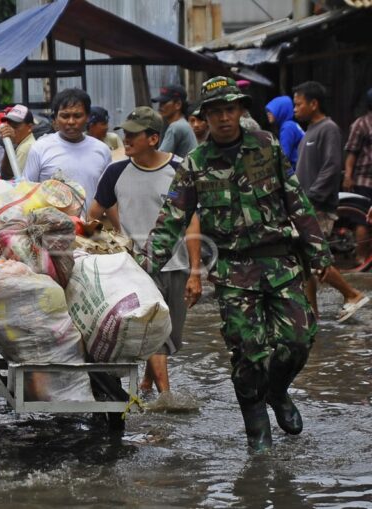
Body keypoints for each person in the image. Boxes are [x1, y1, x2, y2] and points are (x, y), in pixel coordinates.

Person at [139, 77, 333, 452]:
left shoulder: (267, 146)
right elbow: (171, 221)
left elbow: (296, 201)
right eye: (216, 111)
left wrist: (318, 252)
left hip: (280, 262)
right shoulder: (195, 164)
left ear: (240, 111)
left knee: (298, 340)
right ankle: (256, 428)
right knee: (247, 352)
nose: (224, 117)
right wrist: (146, 268)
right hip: (233, 271)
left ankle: (277, 392)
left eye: (230, 109)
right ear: (205, 118)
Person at [88, 106, 200, 397]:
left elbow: (191, 222)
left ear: (153, 139)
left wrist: (196, 272)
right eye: (125, 134)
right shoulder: (116, 172)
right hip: (136, 267)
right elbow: (93, 214)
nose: (126, 140)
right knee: (154, 331)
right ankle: (166, 397)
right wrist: (109, 242)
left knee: (171, 335)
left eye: (133, 135)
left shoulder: (179, 171)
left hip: (176, 265)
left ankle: (147, 384)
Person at [293, 81, 369, 321]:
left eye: (299, 104)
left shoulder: (328, 128)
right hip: (305, 204)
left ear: (314, 104)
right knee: (306, 263)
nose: (295, 109)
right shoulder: (309, 131)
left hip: (318, 205)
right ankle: (311, 314)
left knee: (315, 258)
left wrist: (311, 197)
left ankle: (352, 294)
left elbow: (331, 166)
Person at [24, 88, 111, 212]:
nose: (71, 122)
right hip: (51, 228)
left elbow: (108, 196)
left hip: (90, 229)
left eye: (77, 116)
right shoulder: (40, 148)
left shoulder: (102, 150)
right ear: (55, 118)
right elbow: (27, 193)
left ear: (87, 117)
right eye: (65, 116)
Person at [343, 87, 372, 266]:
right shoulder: (361, 124)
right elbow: (352, 153)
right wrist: (348, 176)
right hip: (364, 180)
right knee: (363, 220)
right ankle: (361, 258)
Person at [151, 84, 197, 158]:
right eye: (160, 103)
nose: (160, 106)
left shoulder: (176, 127)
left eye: (164, 102)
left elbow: (159, 158)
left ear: (178, 104)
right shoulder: (182, 123)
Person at [0, 103, 36, 178]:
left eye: (15, 126)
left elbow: (9, 178)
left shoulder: (25, 148)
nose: (10, 129)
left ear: (30, 127)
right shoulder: (25, 144)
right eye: (9, 125)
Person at [265, 95, 304, 168]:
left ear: (281, 110)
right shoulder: (291, 125)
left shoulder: (287, 128)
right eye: (267, 111)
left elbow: (284, 157)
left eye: (271, 110)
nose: (268, 113)